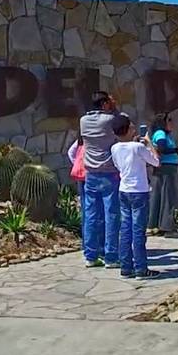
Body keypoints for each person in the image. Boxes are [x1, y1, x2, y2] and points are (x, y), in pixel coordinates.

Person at [111, 115, 160, 279]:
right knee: (138, 230)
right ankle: (141, 268)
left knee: (126, 229)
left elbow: (118, 166)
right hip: (139, 191)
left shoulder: (114, 148)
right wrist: (149, 143)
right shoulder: (138, 147)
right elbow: (156, 161)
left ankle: (126, 267)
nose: (134, 129)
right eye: (131, 127)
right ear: (127, 130)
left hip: (124, 190)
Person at [78, 91, 122, 269]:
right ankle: (111, 256)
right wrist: (115, 107)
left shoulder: (83, 120)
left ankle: (90, 255)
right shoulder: (110, 120)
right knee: (111, 214)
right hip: (109, 171)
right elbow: (123, 123)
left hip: (91, 172)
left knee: (90, 214)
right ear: (104, 104)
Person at [148, 113, 178, 236]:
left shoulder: (165, 135)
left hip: (164, 168)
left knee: (159, 196)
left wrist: (176, 151)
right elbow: (162, 148)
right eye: (169, 120)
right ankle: (168, 227)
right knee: (168, 196)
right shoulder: (161, 134)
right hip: (166, 168)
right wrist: (176, 150)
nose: (171, 122)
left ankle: (156, 225)